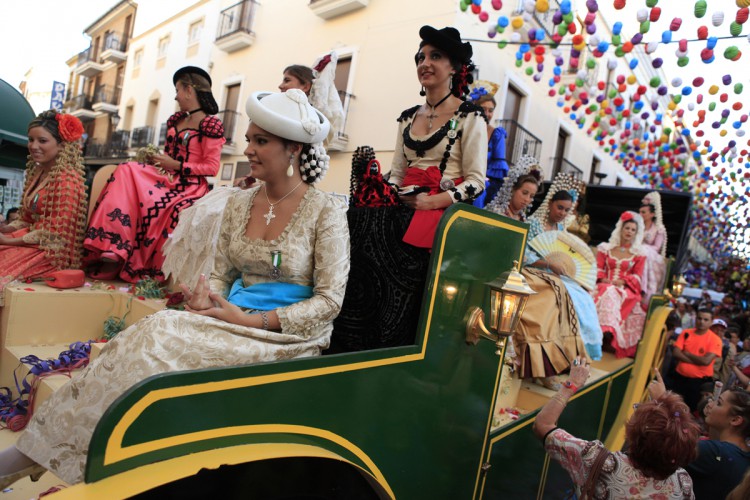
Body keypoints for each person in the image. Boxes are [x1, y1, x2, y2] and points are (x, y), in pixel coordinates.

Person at [0, 89, 350, 487]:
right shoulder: (238, 203)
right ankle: (49, 452)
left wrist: (256, 320)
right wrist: (207, 296)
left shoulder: (327, 212)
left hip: (288, 337)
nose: (248, 149)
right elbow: (221, 273)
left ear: (293, 150)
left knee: (156, 343)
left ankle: (57, 456)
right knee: (143, 335)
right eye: (250, 139)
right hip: (228, 319)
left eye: (260, 141)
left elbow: (329, 301)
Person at [83, 66, 225, 283]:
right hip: (166, 178)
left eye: (178, 90)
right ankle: (114, 245)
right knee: (126, 169)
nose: (176, 96)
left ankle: (134, 259)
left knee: (166, 207)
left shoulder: (210, 125)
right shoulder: (176, 120)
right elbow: (169, 157)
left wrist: (175, 165)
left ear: (189, 90)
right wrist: (158, 160)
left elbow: (211, 167)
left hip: (190, 186)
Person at [534, 364, 698, 499]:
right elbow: (671, 434)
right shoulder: (682, 483)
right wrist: (663, 405)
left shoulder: (600, 461)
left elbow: (543, 425)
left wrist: (570, 385)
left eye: (638, 409)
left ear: (636, 435)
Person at [389, 25, 487, 248]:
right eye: (421, 58)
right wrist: (392, 193)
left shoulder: (470, 116)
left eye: (435, 56)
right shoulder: (407, 118)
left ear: (453, 67)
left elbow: (476, 181)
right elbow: (397, 173)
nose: (425, 63)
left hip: (443, 214)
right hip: (401, 208)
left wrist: (431, 202)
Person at [0, 111, 87, 306]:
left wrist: (7, 240)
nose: (33, 146)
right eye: (31, 140)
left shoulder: (67, 180)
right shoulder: (39, 172)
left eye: (42, 141)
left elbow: (55, 236)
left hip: (51, 254)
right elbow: (27, 219)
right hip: (30, 241)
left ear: (62, 145)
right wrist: (7, 228)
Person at [525, 174, 603, 362]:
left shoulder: (560, 230)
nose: (562, 213)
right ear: (550, 204)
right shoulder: (533, 224)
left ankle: (573, 354)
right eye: (559, 207)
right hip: (534, 271)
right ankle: (553, 355)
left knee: (584, 298)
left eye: (566, 210)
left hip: (555, 275)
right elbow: (525, 255)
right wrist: (549, 263)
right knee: (564, 297)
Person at [593, 211, 647, 358]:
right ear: (621, 229)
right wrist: (603, 278)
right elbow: (598, 267)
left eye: (633, 230)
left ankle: (607, 334)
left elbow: (637, 276)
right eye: (627, 228)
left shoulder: (639, 254)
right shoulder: (606, 248)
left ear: (636, 233)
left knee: (611, 291)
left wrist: (623, 281)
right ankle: (595, 333)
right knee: (606, 289)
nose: (629, 232)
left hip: (626, 290)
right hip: (604, 285)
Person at [684, 387, 750, 499]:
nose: (710, 404)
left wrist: (665, 402)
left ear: (735, 420)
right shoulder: (741, 455)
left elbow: (665, 449)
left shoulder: (714, 452)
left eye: (719, 403)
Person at [668, 308, 723, 411]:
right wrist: (698, 361)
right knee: (672, 406)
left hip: (698, 382)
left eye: (706, 320)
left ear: (711, 322)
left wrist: (687, 353)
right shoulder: (686, 333)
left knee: (689, 409)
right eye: (699, 318)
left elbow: (705, 362)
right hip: (679, 377)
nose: (701, 322)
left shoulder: (715, 340)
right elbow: (676, 353)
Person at [469, 86, 509, 208]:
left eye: (490, 110)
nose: (487, 114)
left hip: (479, 186)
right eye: (483, 109)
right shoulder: (464, 127)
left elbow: (496, 176)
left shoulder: (497, 135)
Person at [485, 155, 541, 221]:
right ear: (513, 189)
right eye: (524, 193)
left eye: (531, 196)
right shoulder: (495, 213)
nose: (527, 199)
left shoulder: (524, 221)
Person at [639, 191, 668, 304]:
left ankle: (645, 288)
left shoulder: (659, 229)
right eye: (640, 212)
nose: (641, 215)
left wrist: (642, 247)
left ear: (652, 214)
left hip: (651, 256)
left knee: (644, 251)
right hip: (637, 251)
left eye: (643, 212)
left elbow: (657, 247)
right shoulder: (635, 226)